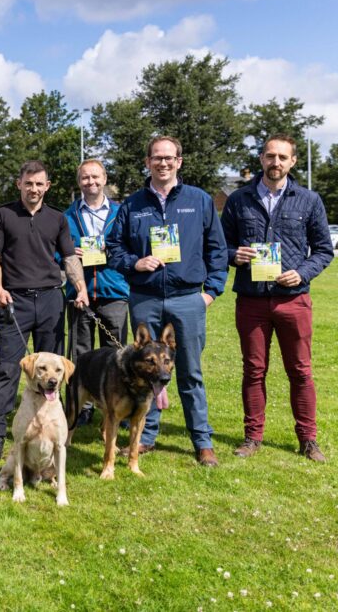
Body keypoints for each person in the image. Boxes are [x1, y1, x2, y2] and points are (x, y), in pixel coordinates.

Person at [106, 136, 228, 466]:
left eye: (169, 158)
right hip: (145, 299)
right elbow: (113, 249)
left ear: (179, 162)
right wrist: (135, 262)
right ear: (147, 162)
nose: (163, 163)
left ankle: (202, 441)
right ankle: (146, 437)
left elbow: (218, 249)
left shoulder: (199, 201)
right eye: (157, 158)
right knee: (146, 371)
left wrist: (211, 291)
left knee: (190, 373)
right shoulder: (132, 205)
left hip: (187, 299)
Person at [221, 134, 334, 462]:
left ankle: (308, 439)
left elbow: (324, 249)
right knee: (253, 370)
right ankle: (253, 436)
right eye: (270, 156)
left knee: (300, 370)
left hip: (292, 299)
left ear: (293, 161)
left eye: (283, 157)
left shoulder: (309, 200)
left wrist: (302, 272)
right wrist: (234, 255)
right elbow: (220, 245)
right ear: (261, 159)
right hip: (252, 300)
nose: (276, 162)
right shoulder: (239, 199)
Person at [0, 160, 89, 462]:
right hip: (15, 301)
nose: (34, 189)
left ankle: (49, 431)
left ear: (47, 186)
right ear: (19, 184)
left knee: (52, 373)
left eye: (40, 184)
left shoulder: (57, 218)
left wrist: (80, 287)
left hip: (51, 300)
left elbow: (69, 257)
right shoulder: (2, 215)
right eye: (29, 183)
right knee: (6, 367)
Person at [64, 159, 130, 426]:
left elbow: (129, 244)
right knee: (81, 354)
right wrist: (69, 252)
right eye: (84, 178)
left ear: (104, 178)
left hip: (113, 290)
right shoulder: (67, 215)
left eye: (95, 177)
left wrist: (111, 251)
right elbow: (58, 248)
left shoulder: (121, 211)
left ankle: (117, 403)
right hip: (80, 293)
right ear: (79, 182)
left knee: (116, 352)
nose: (90, 182)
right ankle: (84, 406)